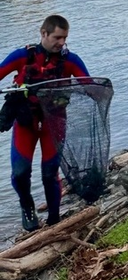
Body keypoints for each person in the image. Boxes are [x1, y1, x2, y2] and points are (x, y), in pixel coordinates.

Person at [0, 15, 90, 231]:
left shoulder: (71, 60)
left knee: (50, 172)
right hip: (26, 123)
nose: (61, 43)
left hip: (54, 124)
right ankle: (27, 205)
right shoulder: (22, 56)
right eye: (57, 37)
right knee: (20, 173)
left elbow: (88, 85)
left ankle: (54, 219)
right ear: (44, 34)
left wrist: (93, 90)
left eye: (65, 38)